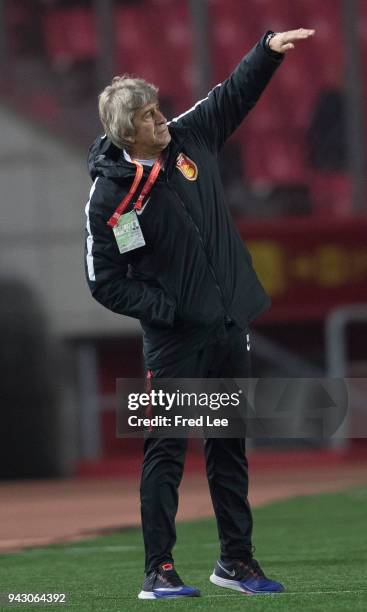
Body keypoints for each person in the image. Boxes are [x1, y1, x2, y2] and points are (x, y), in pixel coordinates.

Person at [85, 28, 315, 599]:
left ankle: (236, 562)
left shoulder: (190, 138)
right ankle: (157, 572)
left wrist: (264, 52)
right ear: (125, 131)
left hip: (225, 329)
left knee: (228, 449)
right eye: (149, 116)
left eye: (160, 109)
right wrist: (165, 310)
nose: (162, 120)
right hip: (172, 342)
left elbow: (231, 94)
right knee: (165, 452)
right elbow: (102, 281)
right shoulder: (110, 196)